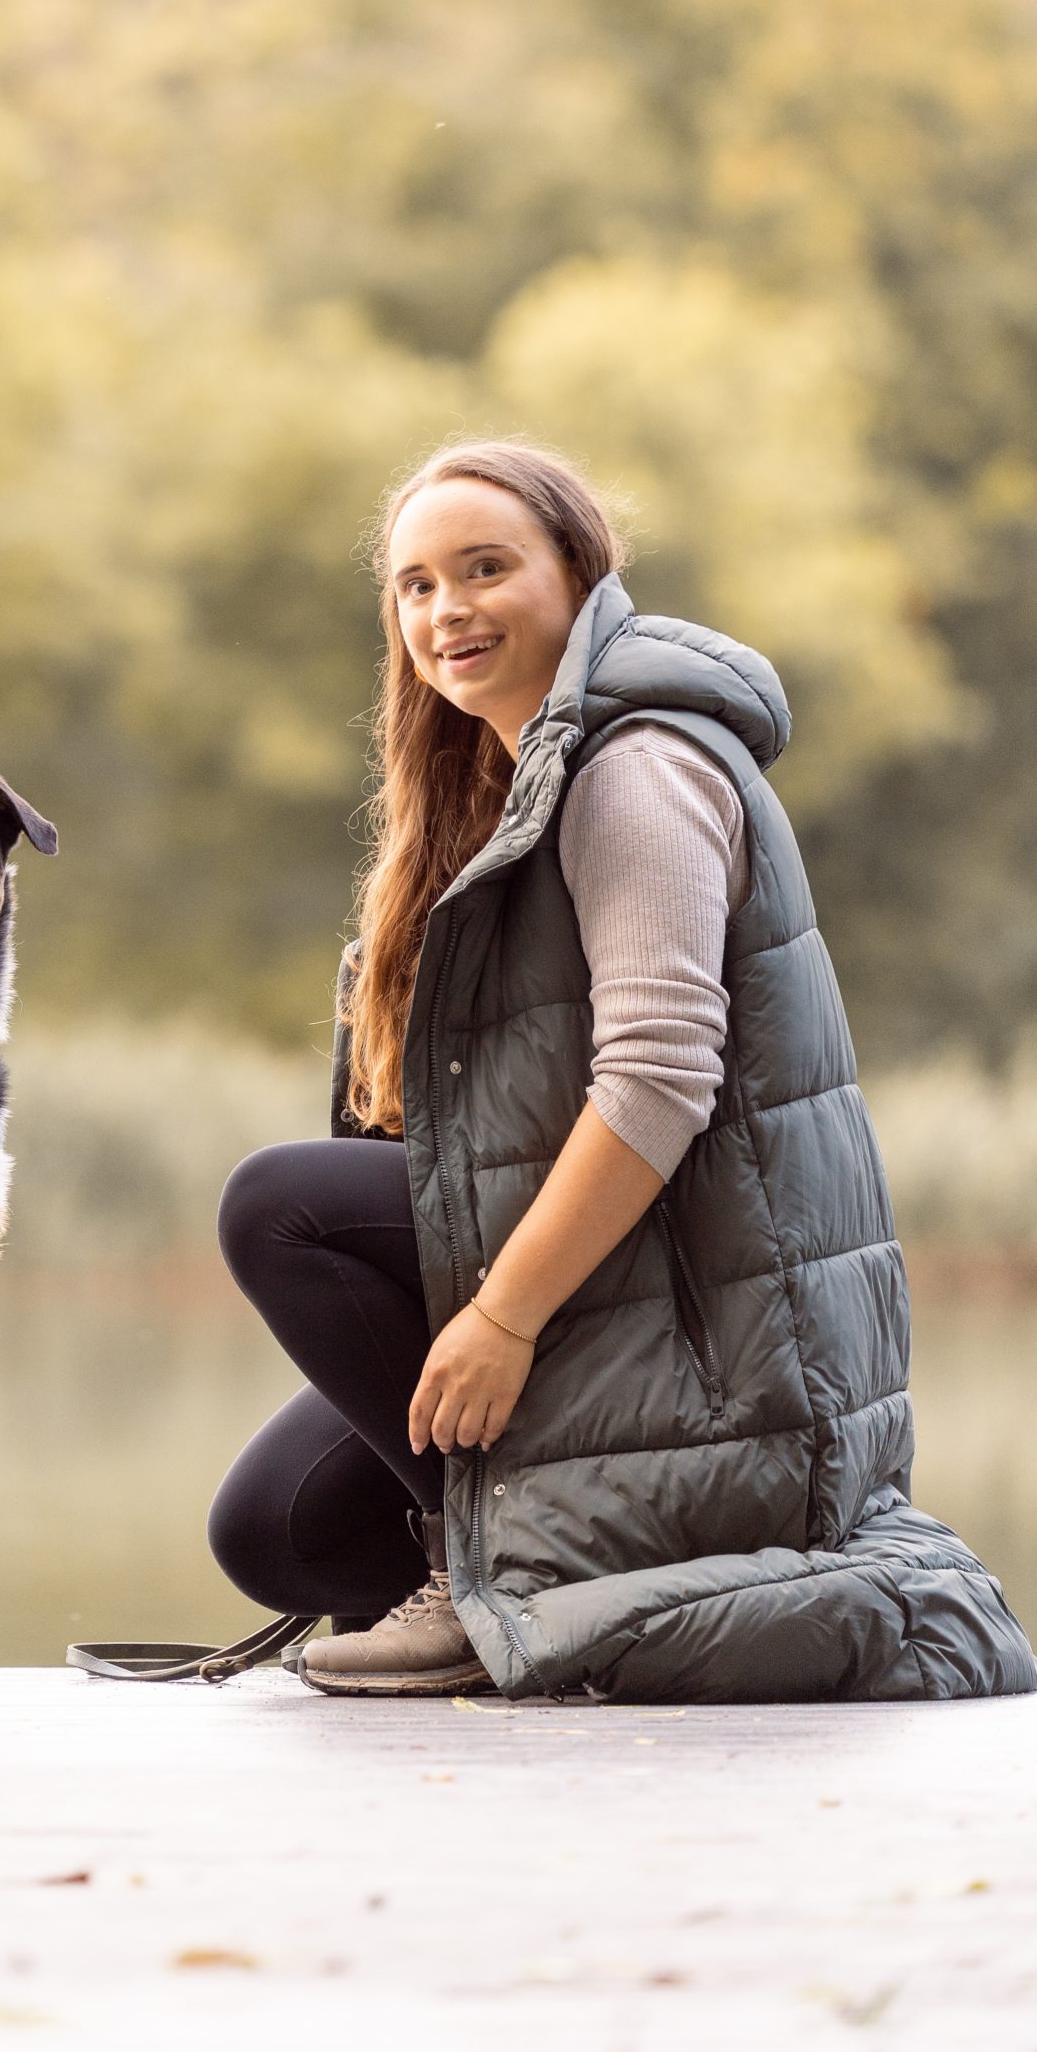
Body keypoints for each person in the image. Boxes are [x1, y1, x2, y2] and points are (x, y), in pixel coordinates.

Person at [207, 439, 1036, 1702]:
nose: (448, 611)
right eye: (417, 586)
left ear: (581, 575)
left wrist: (500, 1318)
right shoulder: (498, 782)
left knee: (283, 1208)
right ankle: (491, 1563)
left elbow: (658, 1081)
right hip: (625, 1275)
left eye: (487, 568)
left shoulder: (636, 770)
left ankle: (512, 1582)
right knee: (278, 1533)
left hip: (709, 1312)